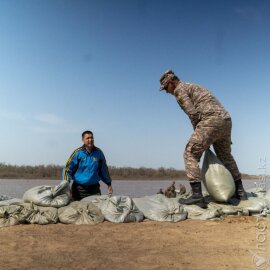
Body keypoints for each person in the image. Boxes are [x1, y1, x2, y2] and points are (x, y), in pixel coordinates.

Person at [159, 70, 247, 208]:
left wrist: (200, 133)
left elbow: (192, 113)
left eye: (165, 88)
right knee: (225, 156)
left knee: (190, 153)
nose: (166, 92)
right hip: (226, 120)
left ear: (171, 83)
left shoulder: (179, 91)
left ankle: (197, 196)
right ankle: (241, 192)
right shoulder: (193, 86)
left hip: (210, 120)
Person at [64, 130, 113, 200]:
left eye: (92, 138)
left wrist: (109, 184)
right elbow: (67, 169)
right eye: (88, 138)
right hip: (78, 189)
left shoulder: (99, 153)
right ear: (83, 140)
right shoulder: (77, 153)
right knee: (77, 209)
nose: (90, 140)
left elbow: (104, 169)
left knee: (96, 209)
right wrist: (66, 185)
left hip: (94, 189)